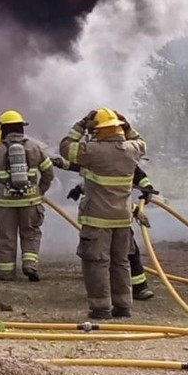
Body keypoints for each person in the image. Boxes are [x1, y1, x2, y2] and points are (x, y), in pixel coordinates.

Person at [59, 108, 146, 320]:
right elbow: (141, 142)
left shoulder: (93, 150)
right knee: (120, 262)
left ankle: (101, 308)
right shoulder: (132, 149)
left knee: (96, 263)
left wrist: (81, 125)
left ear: (99, 130)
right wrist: (127, 125)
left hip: (98, 219)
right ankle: (123, 306)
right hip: (123, 219)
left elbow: (66, 148)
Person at [55, 157, 157, 301]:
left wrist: (146, 189)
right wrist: (78, 187)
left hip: (104, 220)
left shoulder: (108, 159)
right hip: (113, 219)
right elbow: (96, 180)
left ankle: (133, 288)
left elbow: (109, 188)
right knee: (119, 256)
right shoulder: (113, 159)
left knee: (114, 256)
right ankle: (133, 289)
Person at [0, 110, 54, 282]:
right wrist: (39, 190)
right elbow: (48, 172)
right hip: (30, 201)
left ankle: (6, 273)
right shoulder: (34, 148)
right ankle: (30, 265)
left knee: (5, 237)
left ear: (4, 129)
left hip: (4, 203)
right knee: (30, 234)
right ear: (21, 127)